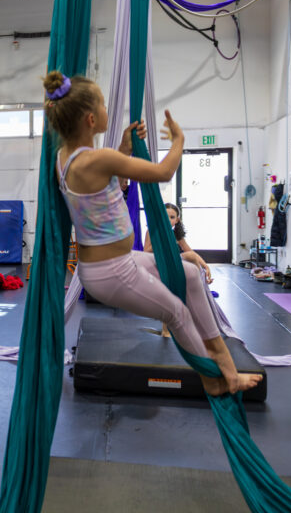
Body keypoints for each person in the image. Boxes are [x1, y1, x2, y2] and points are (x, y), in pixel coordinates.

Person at [44, 71, 261, 396]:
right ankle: (212, 380)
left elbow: (101, 190)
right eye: (103, 104)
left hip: (117, 261)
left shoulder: (66, 158)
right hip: (111, 272)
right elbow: (163, 172)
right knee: (177, 312)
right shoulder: (97, 159)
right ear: (91, 119)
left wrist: (124, 148)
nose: (107, 110)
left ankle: (220, 354)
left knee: (189, 275)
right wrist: (178, 141)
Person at [144, 203, 213, 337]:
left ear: (177, 220)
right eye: (165, 216)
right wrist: (162, 241)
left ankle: (199, 284)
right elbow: (146, 251)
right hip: (158, 264)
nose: (168, 220)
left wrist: (205, 265)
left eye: (172, 217)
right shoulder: (152, 231)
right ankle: (166, 329)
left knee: (192, 257)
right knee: (170, 293)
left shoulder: (176, 234)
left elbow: (189, 251)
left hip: (174, 263)